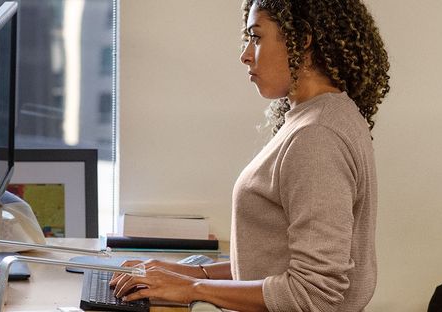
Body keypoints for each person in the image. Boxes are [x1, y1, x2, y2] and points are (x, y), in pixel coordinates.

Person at [110, 0, 390, 311]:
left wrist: (192, 289)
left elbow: (314, 295)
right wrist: (184, 273)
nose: (245, 55)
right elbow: (270, 263)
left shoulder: (317, 136)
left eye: (256, 38)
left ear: (303, 38)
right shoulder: (321, 116)